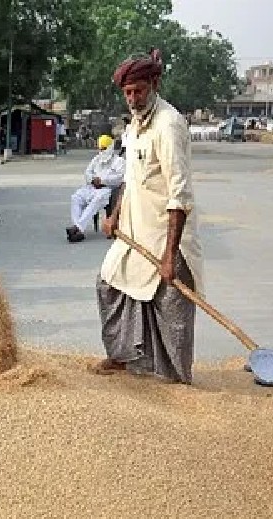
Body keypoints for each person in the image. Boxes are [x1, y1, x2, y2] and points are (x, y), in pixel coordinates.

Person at [96, 49, 204, 384]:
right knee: (109, 285)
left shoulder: (168, 125)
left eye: (138, 91)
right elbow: (130, 178)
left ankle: (175, 379)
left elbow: (179, 194)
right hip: (133, 230)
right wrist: (114, 216)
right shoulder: (134, 126)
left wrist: (170, 256)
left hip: (167, 236)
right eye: (127, 93)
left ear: (154, 84)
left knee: (172, 308)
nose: (132, 98)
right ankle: (124, 356)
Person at [66, 134, 124, 243]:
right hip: (92, 187)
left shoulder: (119, 161)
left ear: (110, 147)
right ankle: (78, 229)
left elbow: (120, 178)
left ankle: (78, 229)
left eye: (104, 148)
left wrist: (102, 180)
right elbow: (87, 172)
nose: (102, 151)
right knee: (76, 197)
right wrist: (93, 179)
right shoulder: (96, 159)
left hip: (107, 189)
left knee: (97, 199)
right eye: (100, 148)